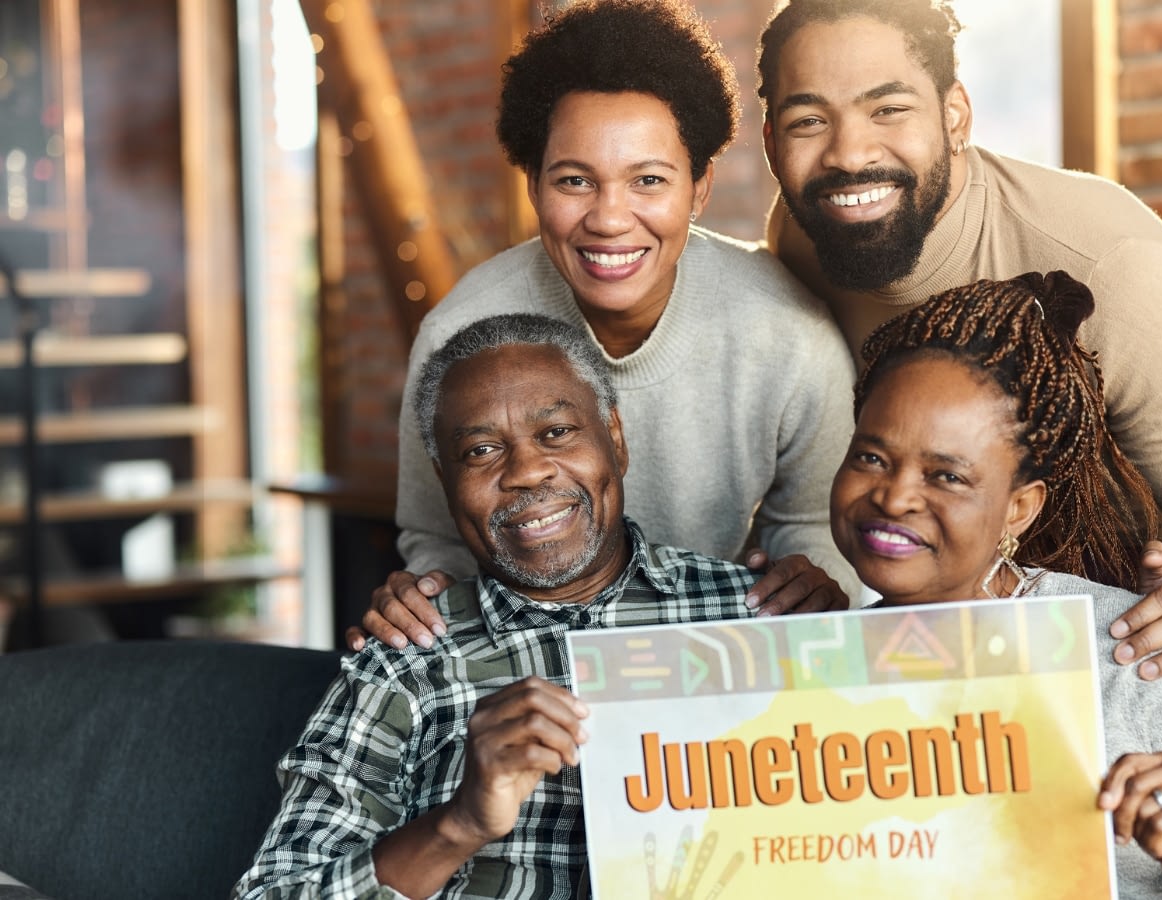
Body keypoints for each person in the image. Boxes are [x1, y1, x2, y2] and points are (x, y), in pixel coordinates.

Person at [758, 0, 1162, 687]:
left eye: (888, 109)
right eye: (810, 120)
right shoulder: (805, 236)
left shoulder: (1105, 264)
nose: (850, 153)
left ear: (955, 116)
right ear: (772, 143)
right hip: (1024, 514)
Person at [369, 0, 860, 655]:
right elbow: (434, 537)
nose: (609, 218)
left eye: (648, 180)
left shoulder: (788, 334)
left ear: (700, 186)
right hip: (530, 657)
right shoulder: (462, 335)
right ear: (533, 185)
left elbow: (815, 527)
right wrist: (421, 600)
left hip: (716, 650)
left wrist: (813, 587)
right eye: (574, 180)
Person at [833, 272, 1162, 896]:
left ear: (1019, 509)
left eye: (947, 476)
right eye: (871, 457)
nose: (893, 496)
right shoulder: (806, 657)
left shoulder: (1133, 654)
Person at [236, 314, 772, 898]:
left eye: (557, 433)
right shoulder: (406, 659)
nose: (525, 472)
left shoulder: (750, 615)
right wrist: (458, 825)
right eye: (482, 450)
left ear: (615, 438)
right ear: (444, 480)